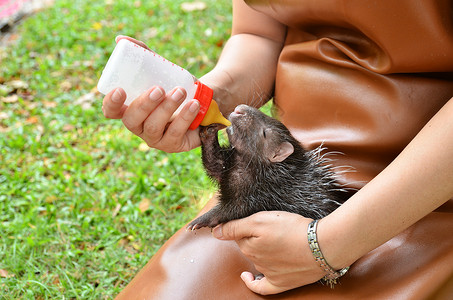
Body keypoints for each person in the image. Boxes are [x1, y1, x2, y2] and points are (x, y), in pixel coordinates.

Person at [103, 0, 453, 298]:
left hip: (431, 182)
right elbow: (258, 34)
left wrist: (327, 244)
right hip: (283, 168)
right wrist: (207, 100)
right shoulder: (264, 160)